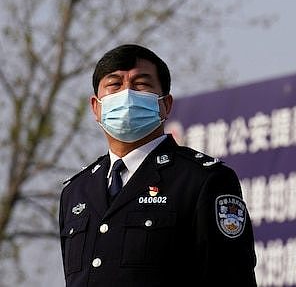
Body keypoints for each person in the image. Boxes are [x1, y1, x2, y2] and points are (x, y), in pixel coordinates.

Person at [59, 44, 257, 286]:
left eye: (141, 84)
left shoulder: (202, 180)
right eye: (115, 85)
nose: (127, 95)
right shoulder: (76, 191)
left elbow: (231, 277)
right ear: (96, 107)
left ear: (166, 104)